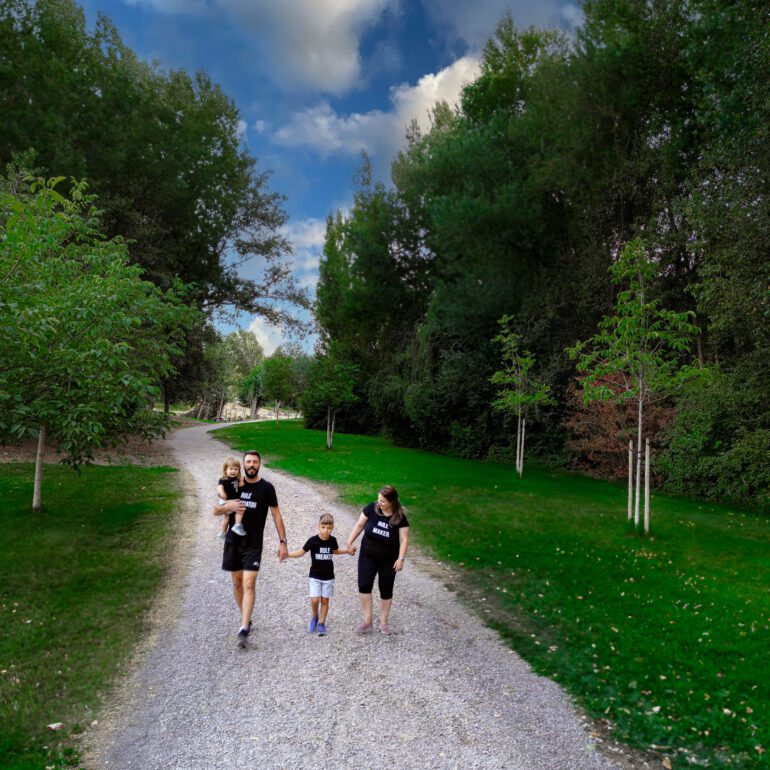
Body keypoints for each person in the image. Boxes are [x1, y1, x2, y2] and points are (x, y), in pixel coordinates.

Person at [213, 450, 288, 648]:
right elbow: (216, 510)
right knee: (237, 584)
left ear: (260, 464)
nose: (251, 465)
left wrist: (283, 542)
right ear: (243, 465)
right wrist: (228, 506)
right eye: (248, 462)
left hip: (253, 545)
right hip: (233, 542)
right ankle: (246, 617)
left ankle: (244, 627)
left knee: (249, 584)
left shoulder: (266, 488)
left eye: (255, 462)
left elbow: (276, 515)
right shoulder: (234, 484)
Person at [346, 485, 409, 636]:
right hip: (368, 556)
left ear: (392, 501)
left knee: (386, 589)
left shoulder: (399, 518)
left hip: (388, 560)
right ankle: (368, 622)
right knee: (364, 585)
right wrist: (349, 542)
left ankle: (383, 622)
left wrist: (400, 559)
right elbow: (360, 525)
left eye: (382, 501)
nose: (378, 502)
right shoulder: (371, 508)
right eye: (378, 499)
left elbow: (404, 539)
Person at [287, 513, 355, 636]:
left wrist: (347, 551)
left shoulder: (333, 540)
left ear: (332, 528)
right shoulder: (313, 541)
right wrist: (288, 554)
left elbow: (335, 551)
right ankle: (315, 617)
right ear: (318, 526)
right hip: (315, 576)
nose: (326, 530)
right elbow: (301, 552)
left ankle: (322, 623)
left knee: (325, 600)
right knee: (314, 600)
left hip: (328, 577)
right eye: (323, 527)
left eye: (328, 528)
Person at [216, 457, 246, 539]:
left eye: (236, 469)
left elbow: (241, 485)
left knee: (227, 519)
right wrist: (222, 493)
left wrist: (242, 480)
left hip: (229, 501)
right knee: (241, 509)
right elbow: (219, 487)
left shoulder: (236, 479)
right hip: (226, 501)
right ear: (225, 470)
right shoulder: (224, 480)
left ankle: (222, 532)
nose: (233, 471)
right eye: (231, 469)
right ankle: (237, 525)